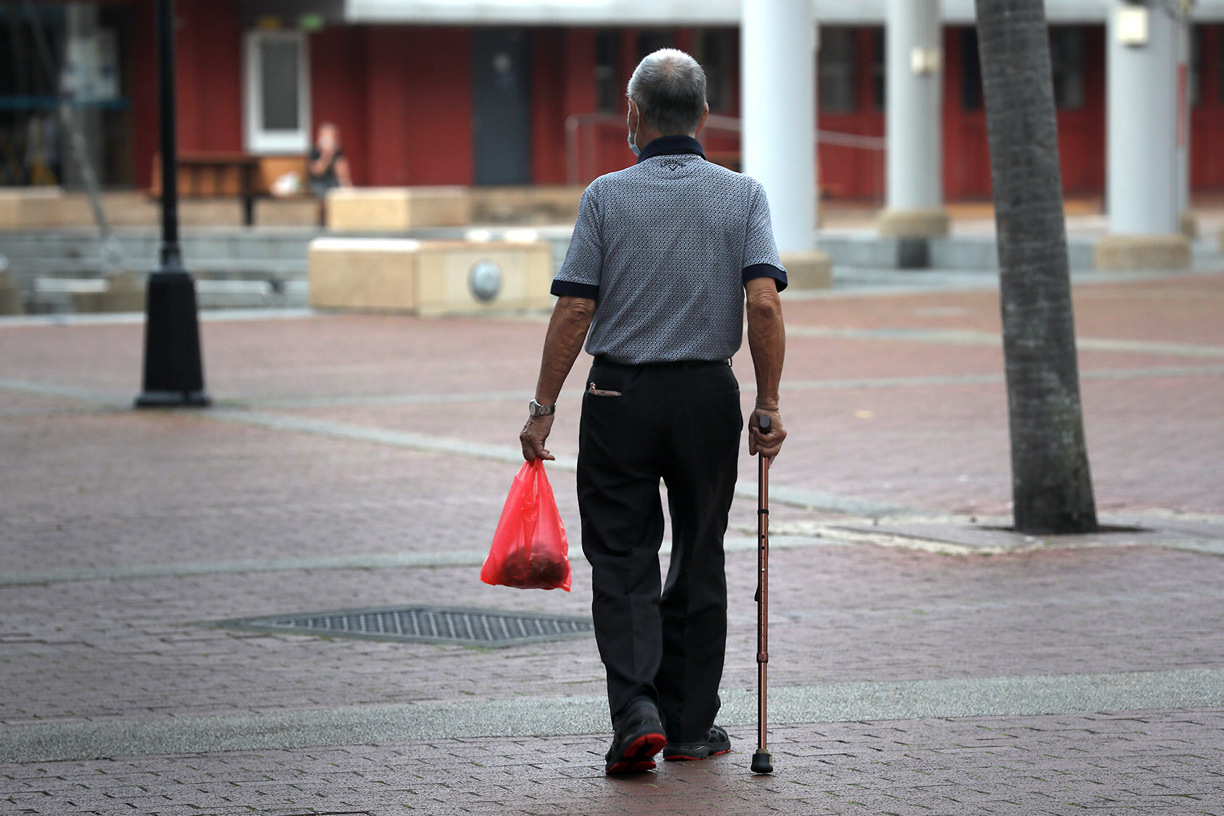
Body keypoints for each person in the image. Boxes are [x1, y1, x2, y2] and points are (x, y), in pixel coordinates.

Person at [519, 48, 788, 776]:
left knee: (623, 556)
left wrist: (543, 408)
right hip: (706, 397)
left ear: (633, 115)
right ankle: (692, 724)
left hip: (619, 398)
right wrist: (766, 403)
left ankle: (637, 712)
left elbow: (575, 308)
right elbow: (764, 302)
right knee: (700, 551)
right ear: (704, 116)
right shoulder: (743, 196)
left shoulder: (605, 196)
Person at [307, 122, 352, 198]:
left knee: (342, 191)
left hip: (332, 183)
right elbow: (318, 171)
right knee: (323, 192)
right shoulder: (314, 151)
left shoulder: (337, 152)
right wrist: (326, 155)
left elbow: (343, 174)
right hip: (318, 183)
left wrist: (347, 187)